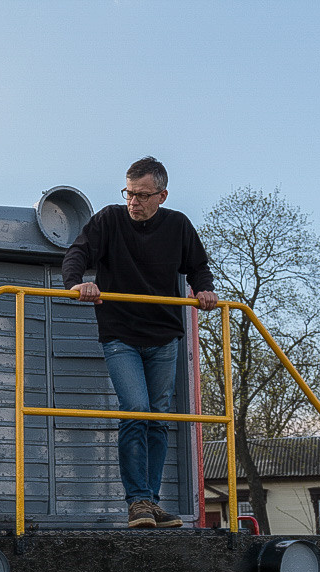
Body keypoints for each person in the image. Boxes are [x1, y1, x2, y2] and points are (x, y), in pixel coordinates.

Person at [61, 157, 217, 529]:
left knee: (158, 418)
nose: (134, 202)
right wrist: (76, 283)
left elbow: (198, 266)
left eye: (143, 195)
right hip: (121, 335)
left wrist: (205, 289)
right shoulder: (109, 220)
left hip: (163, 337)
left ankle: (152, 501)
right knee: (136, 409)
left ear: (162, 195)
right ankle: (137, 502)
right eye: (129, 193)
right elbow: (77, 253)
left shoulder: (177, 225)